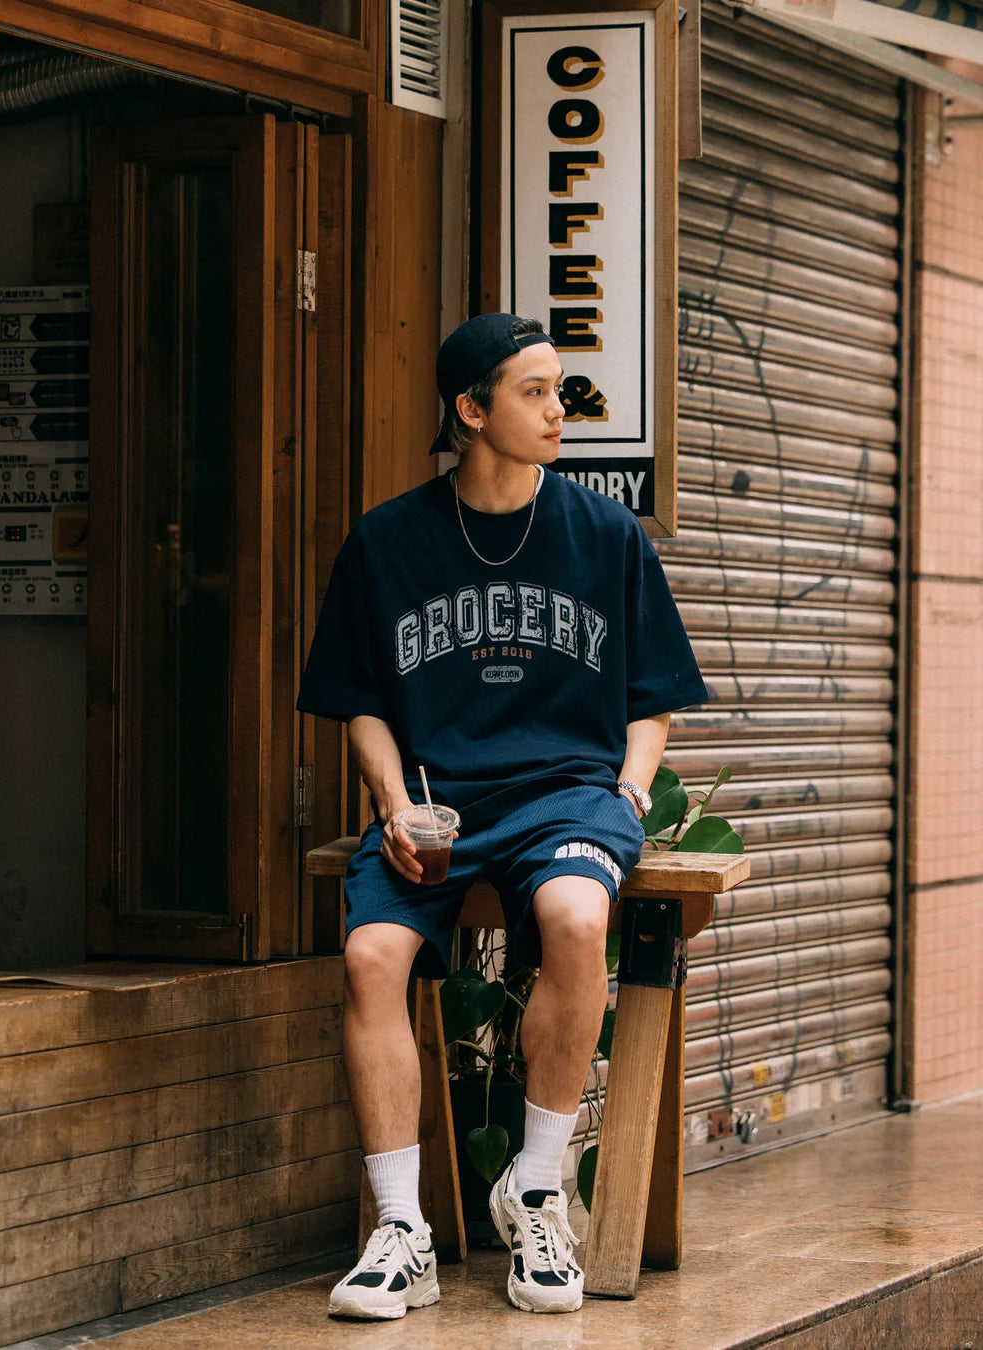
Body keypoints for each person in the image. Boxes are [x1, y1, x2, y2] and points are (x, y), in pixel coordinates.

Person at [297, 313, 708, 1319]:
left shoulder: (605, 535)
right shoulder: (387, 542)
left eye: (558, 388)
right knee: (370, 959)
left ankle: (532, 1187)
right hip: (437, 800)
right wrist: (394, 807)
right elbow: (362, 705)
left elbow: (650, 698)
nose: (558, 409)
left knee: (576, 919)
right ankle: (402, 1232)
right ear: (471, 411)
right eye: (533, 391)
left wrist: (623, 789)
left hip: (569, 793)